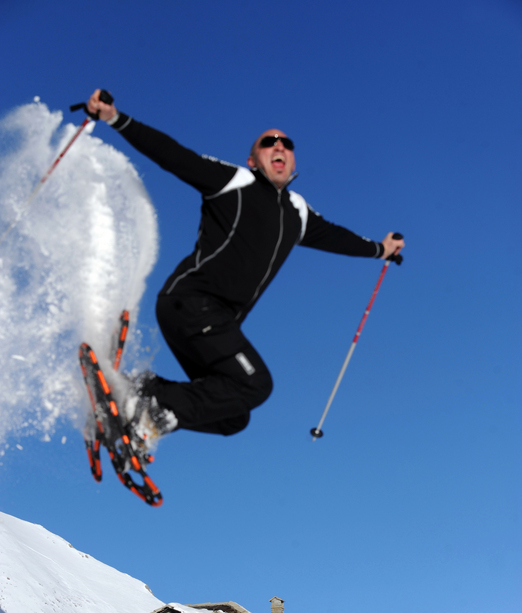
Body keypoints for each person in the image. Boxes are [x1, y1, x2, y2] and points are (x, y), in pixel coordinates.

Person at [86, 89, 404, 443]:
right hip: (191, 303)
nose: (279, 147)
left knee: (233, 416)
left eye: (287, 143)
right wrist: (116, 118)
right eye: (269, 143)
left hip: (217, 322)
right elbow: (174, 155)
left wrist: (380, 249)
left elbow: (337, 238)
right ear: (253, 160)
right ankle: (146, 411)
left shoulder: (297, 212)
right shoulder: (234, 182)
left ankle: (136, 392)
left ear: (294, 162)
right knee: (256, 384)